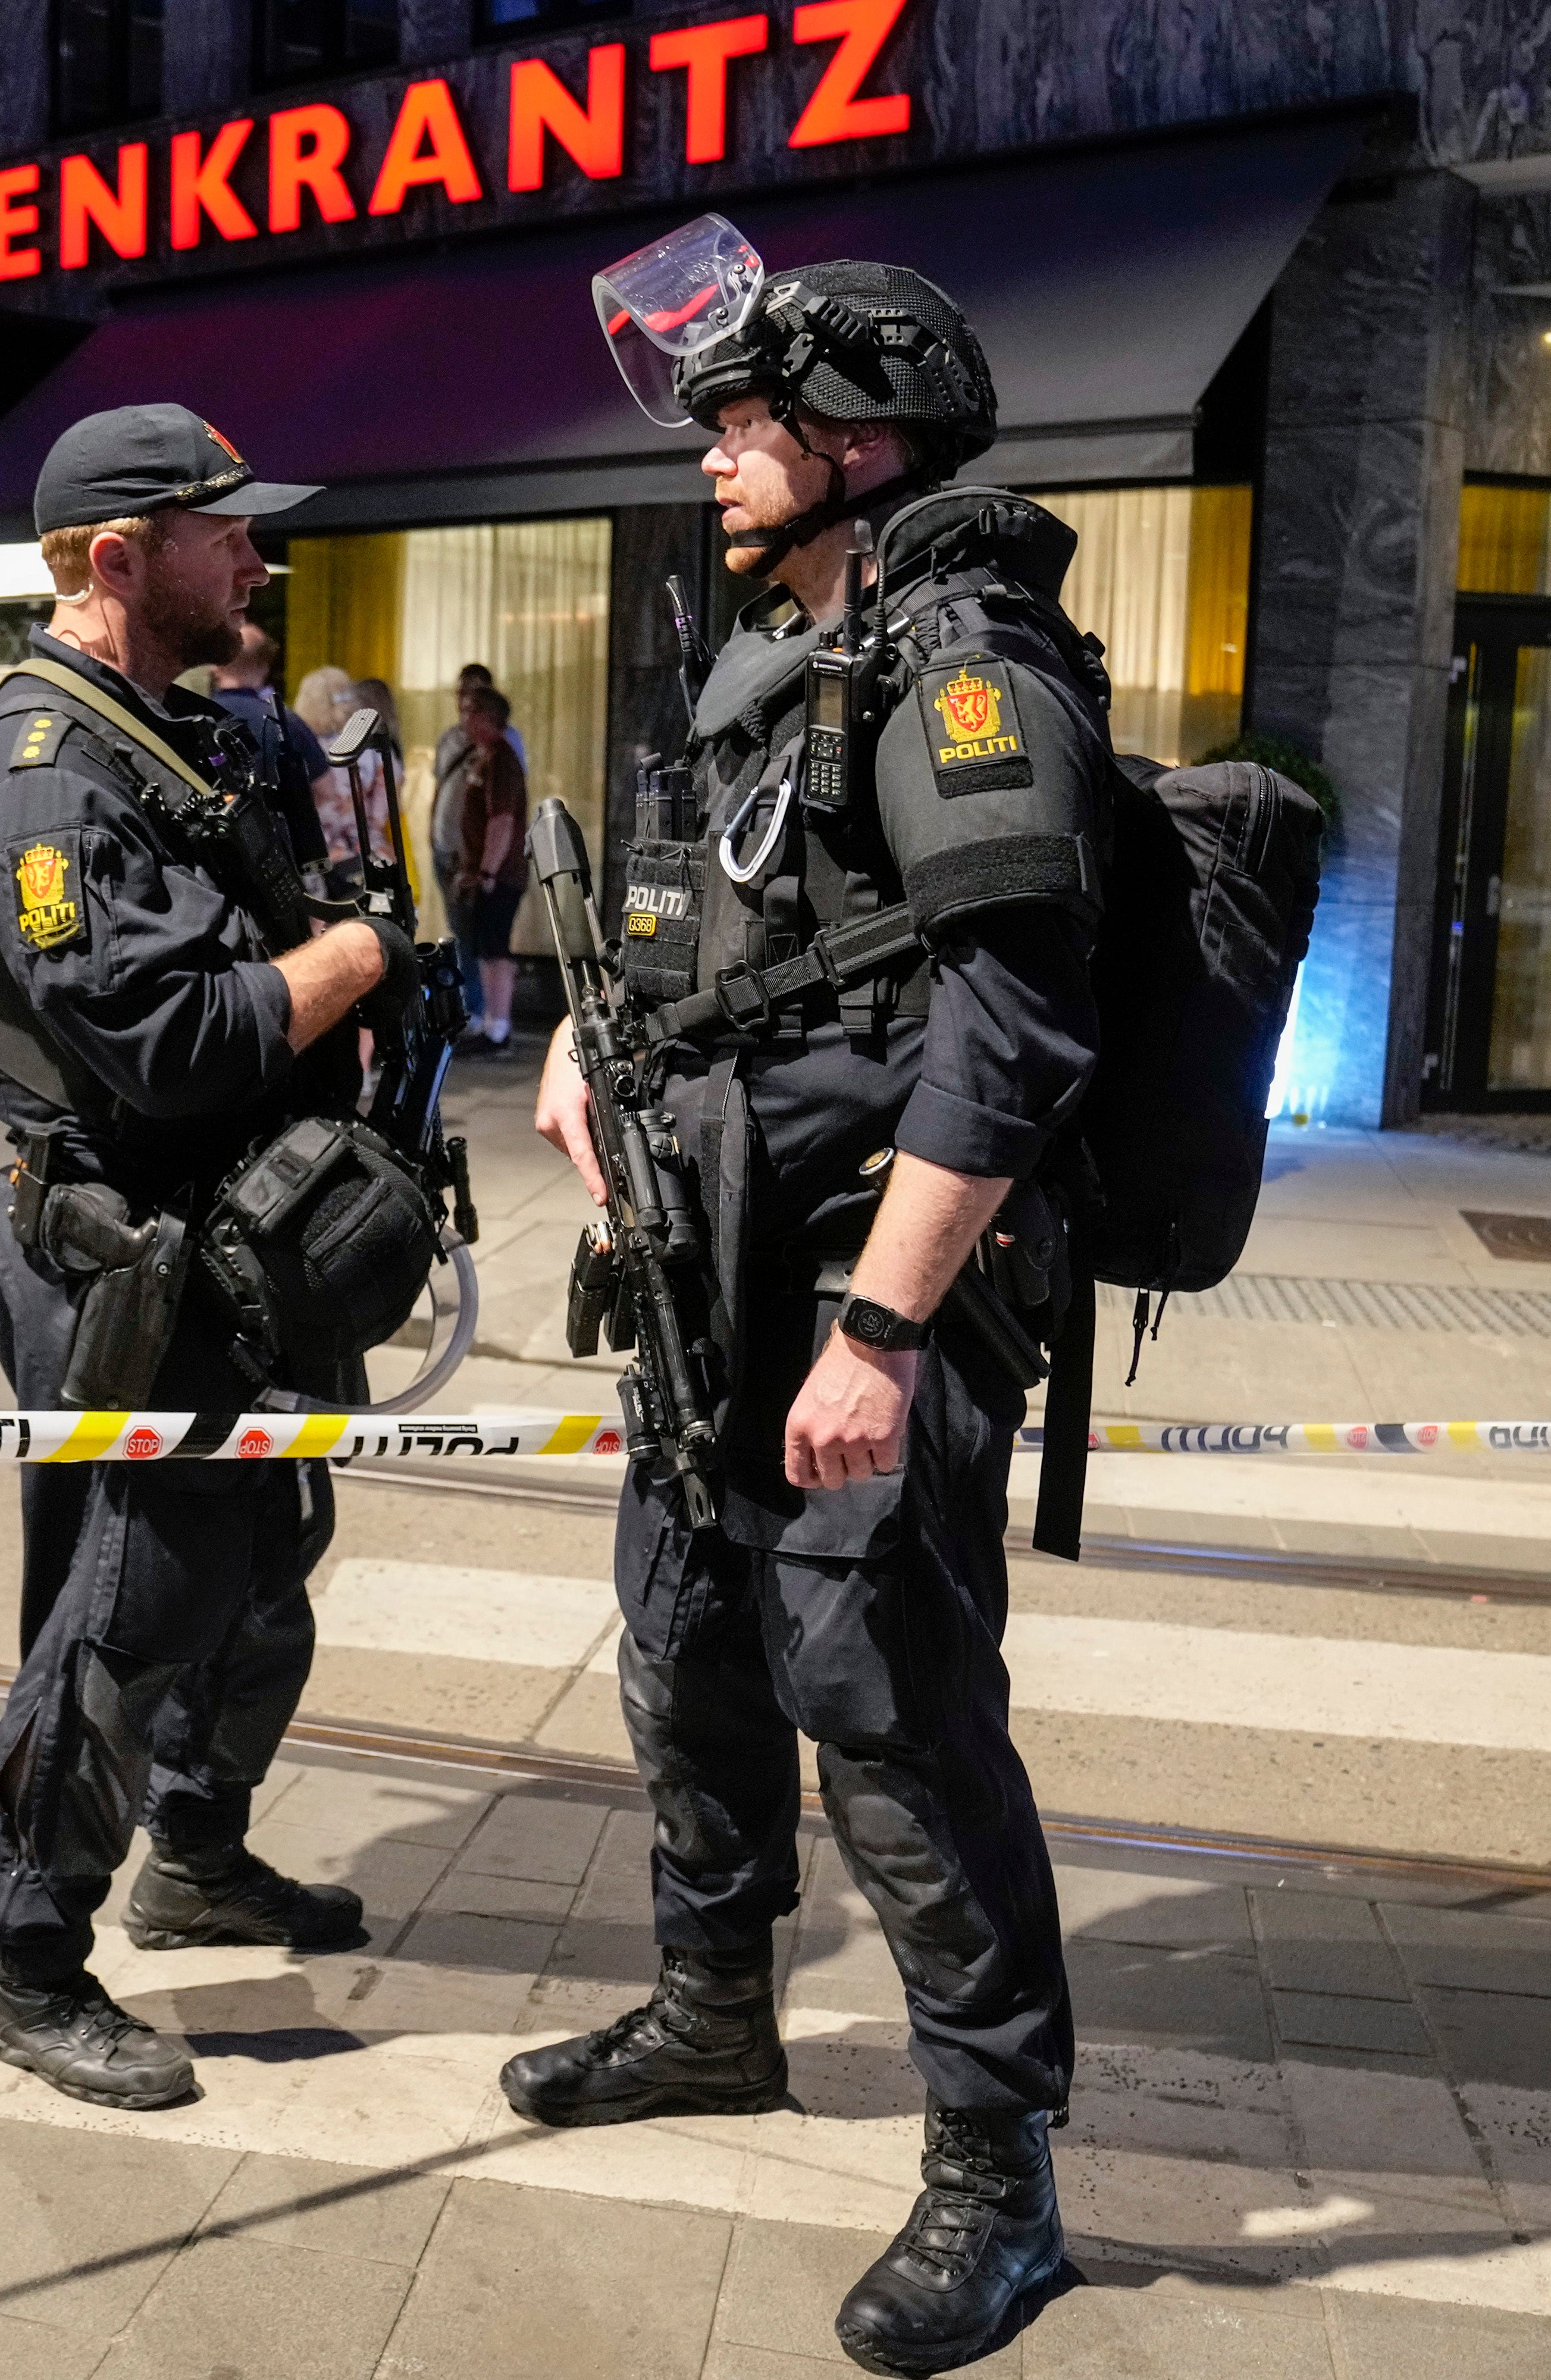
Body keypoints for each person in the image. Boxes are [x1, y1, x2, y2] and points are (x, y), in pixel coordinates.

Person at [514, 257, 1110, 2376]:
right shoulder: (792, 649)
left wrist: (878, 1329)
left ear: (854, 436)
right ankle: (708, 2016)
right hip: (716, 1277)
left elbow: (1016, 1019)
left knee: (885, 1709)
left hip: (872, 1291)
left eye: (740, 417)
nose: (706, 449)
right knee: (685, 1658)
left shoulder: (964, 661)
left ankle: (994, 2171)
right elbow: (753, 929)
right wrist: (618, 1048)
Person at [0, 402, 416, 2112]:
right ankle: (30, 1956)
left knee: (263, 1557)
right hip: (130, 1263)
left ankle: (196, 1852)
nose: (254, 555)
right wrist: (359, 955)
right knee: (126, 1603)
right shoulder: (41, 779)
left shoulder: (164, 733)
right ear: (122, 560)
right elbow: (176, 1041)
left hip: (243, 1248)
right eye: (225, 531)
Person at [203, 622, 334, 883]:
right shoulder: (284, 721)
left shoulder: (193, 718)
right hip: (282, 861)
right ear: (265, 665)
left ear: (215, 665)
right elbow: (326, 789)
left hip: (212, 864)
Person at [441, 686, 529, 1057]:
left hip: (500, 876)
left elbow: (502, 821)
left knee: (495, 952)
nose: (464, 720)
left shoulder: (502, 761)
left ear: (488, 719)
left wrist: (489, 873)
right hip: (484, 873)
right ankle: (491, 1024)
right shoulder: (483, 756)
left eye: (470, 713)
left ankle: (498, 1029)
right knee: (484, 949)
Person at [292, 665, 403, 891]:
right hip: (371, 857)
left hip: (320, 863)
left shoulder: (302, 754)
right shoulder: (377, 751)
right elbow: (384, 813)